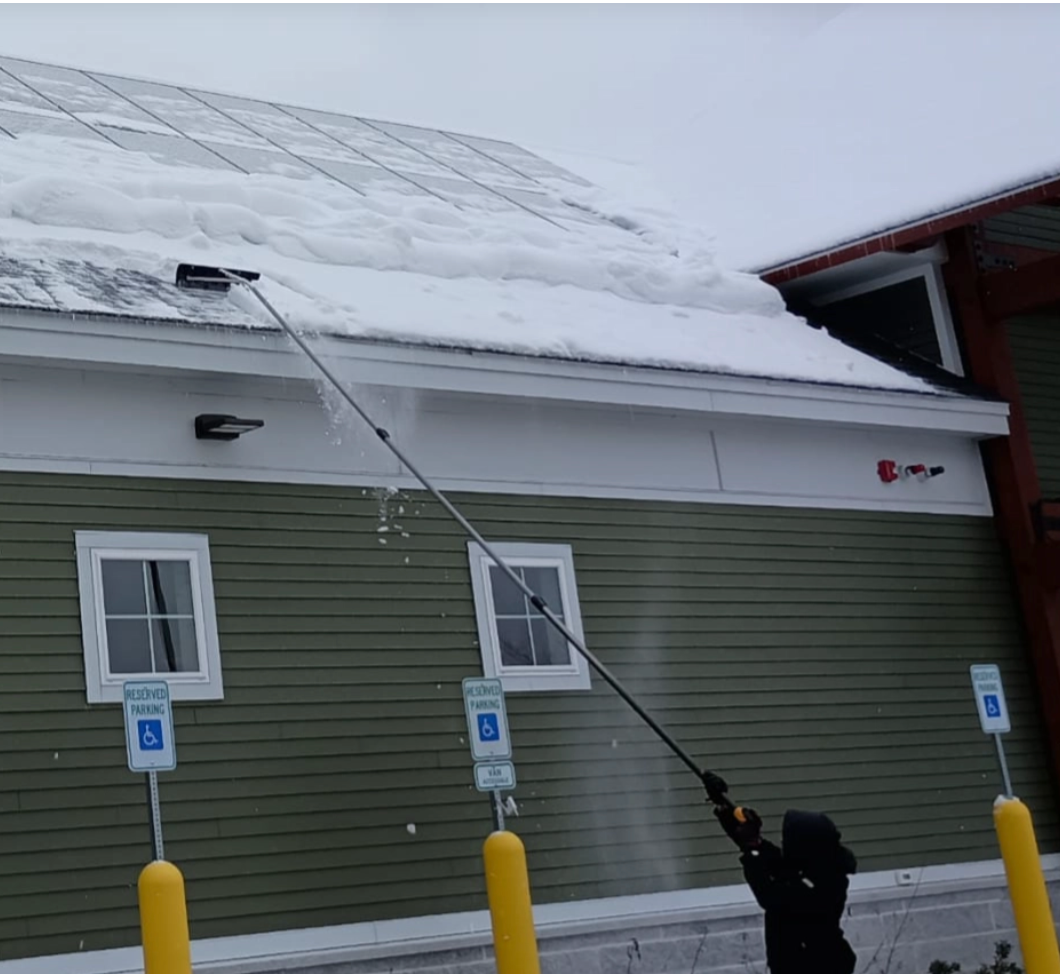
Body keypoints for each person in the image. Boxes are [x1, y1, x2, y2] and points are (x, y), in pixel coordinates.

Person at [702, 772, 858, 974]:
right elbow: (765, 854)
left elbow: (771, 896)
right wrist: (724, 806)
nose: (784, 846)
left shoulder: (825, 885)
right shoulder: (811, 869)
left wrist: (751, 845)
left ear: (806, 848)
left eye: (788, 843)